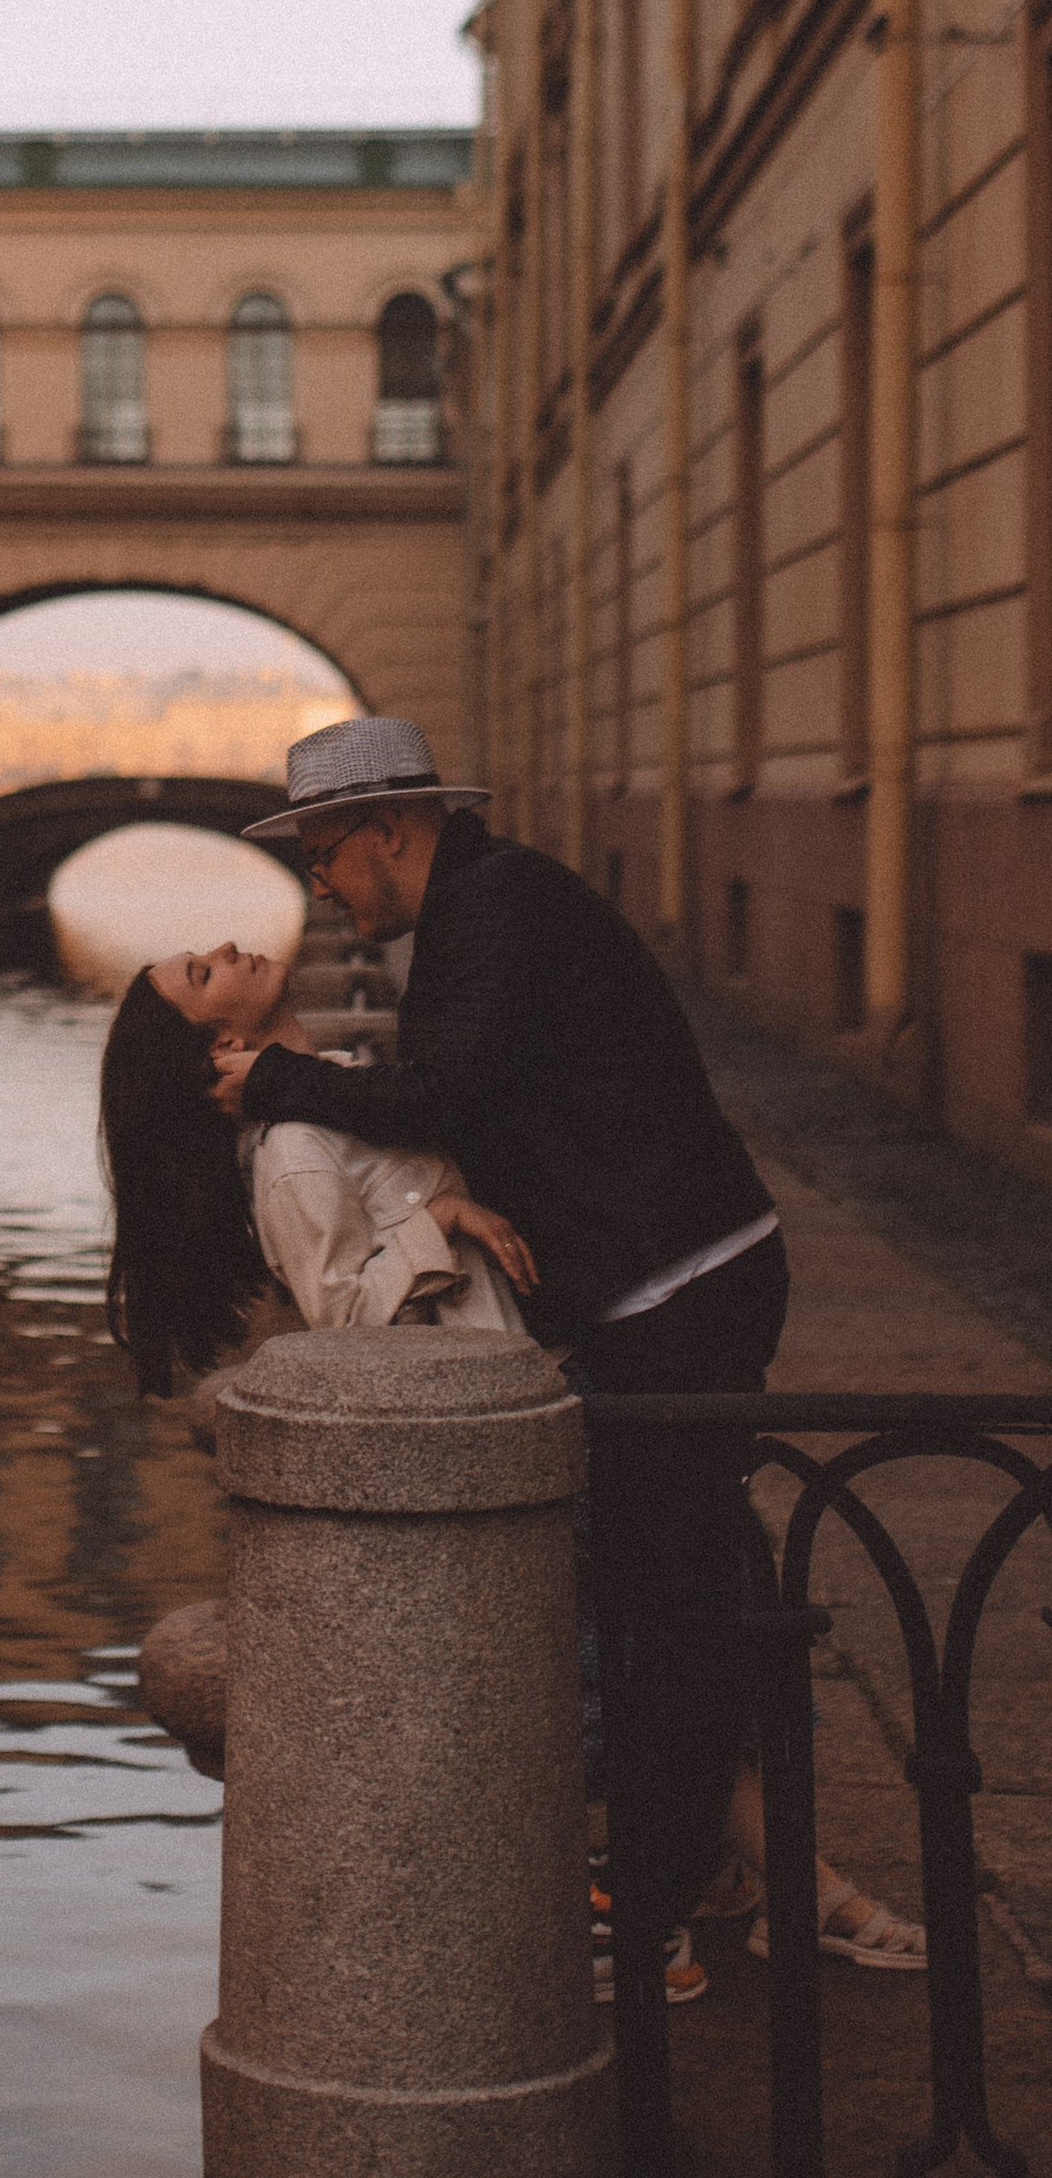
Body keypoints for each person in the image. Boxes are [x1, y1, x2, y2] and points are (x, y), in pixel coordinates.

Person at [207, 717, 795, 1963]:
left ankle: (653, 1907)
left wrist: (275, 1080)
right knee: (663, 1594)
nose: (316, 878)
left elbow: (440, 1095)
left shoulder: (491, 909)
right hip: (664, 1282)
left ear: (390, 827)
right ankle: (689, 1876)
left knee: (662, 1610)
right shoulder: (484, 903)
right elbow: (475, 1095)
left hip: (680, 1286)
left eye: (323, 850)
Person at [98, 944, 536, 1388]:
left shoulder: (338, 1088)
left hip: (516, 1359)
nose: (225, 949)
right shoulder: (294, 1151)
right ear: (226, 1044)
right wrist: (442, 1217)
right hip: (489, 1391)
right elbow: (343, 1327)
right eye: (204, 974)